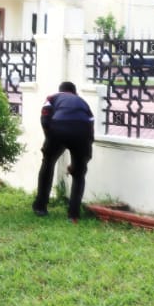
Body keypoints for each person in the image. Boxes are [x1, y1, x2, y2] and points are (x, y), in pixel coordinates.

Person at [32, 81, 95, 222]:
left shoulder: (52, 97)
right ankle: (73, 215)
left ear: (60, 90)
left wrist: (49, 141)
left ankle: (40, 207)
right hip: (82, 131)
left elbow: (45, 118)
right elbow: (90, 128)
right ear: (75, 92)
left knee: (48, 164)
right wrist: (82, 160)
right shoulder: (82, 102)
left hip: (58, 128)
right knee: (79, 174)